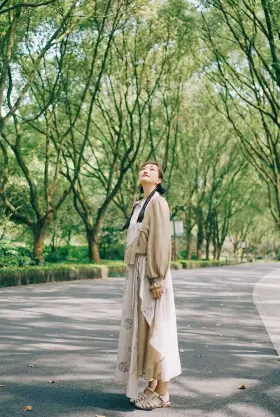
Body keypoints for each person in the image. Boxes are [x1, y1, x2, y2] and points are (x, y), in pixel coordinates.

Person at [115, 161, 181, 410]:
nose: (146, 170)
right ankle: (152, 385)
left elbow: (161, 242)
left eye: (152, 169)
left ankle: (162, 392)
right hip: (138, 274)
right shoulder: (140, 204)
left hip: (151, 275)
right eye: (143, 168)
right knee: (144, 330)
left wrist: (156, 278)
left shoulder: (158, 203)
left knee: (157, 329)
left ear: (159, 180)